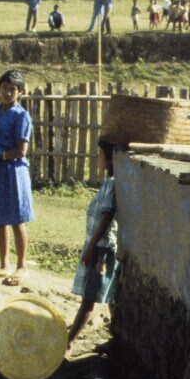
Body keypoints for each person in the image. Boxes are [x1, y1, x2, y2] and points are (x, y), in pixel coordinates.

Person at [0, 70, 34, 287]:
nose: (8, 92)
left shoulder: (21, 116)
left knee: (17, 217)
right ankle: (4, 264)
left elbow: (21, 150)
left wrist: (0, 155)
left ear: (20, 92)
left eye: (13, 89)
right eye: (4, 88)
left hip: (13, 170)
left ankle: (22, 266)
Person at [68, 142, 118, 345]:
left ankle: (68, 343)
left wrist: (91, 246)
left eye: (100, 155)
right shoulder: (109, 184)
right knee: (111, 298)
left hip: (101, 248)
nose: (98, 158)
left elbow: (107, 216)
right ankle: (117, 338)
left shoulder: (112, 184)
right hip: (98, 245)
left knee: (89, 300)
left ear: (110, 160)